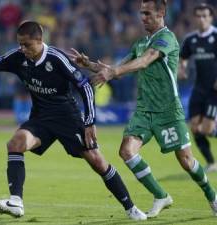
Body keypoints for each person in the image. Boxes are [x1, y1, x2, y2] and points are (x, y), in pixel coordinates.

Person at [0, 21, 147, 220]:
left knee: (97, 161)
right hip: (41, 117)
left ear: (39, 40)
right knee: (15, 144)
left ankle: (131, 208)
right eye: (20, 44)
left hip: (67, 117)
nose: (22, 49)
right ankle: (16, 201)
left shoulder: (56, 58)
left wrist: (89, 122)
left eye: (27, 45)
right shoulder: (17, 58)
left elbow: (84, 86)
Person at [71, 0, 217, 218]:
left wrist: (114, 72)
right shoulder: (140, 42)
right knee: (126, 151)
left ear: (161, 13)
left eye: (147, 13)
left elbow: (145, 61)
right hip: (144, 110)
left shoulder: (166, 38)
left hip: (168, 111)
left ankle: (212, 195)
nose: (143, 17)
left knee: (186, 161)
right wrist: (90, 64)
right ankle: (161, 195)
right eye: (141, 13)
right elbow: (119, 67)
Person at [179, 3, 217, 172]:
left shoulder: (216, 36)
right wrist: (182, 68)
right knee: (195, 128)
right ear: (195, 18)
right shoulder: (191, 39)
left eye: (205, 16)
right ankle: (211, 162)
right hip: (198, 89)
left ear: (211, 17)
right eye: (199, 16)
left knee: (208, 130)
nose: (201, 19)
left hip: (214, 91)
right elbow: (184, 56)